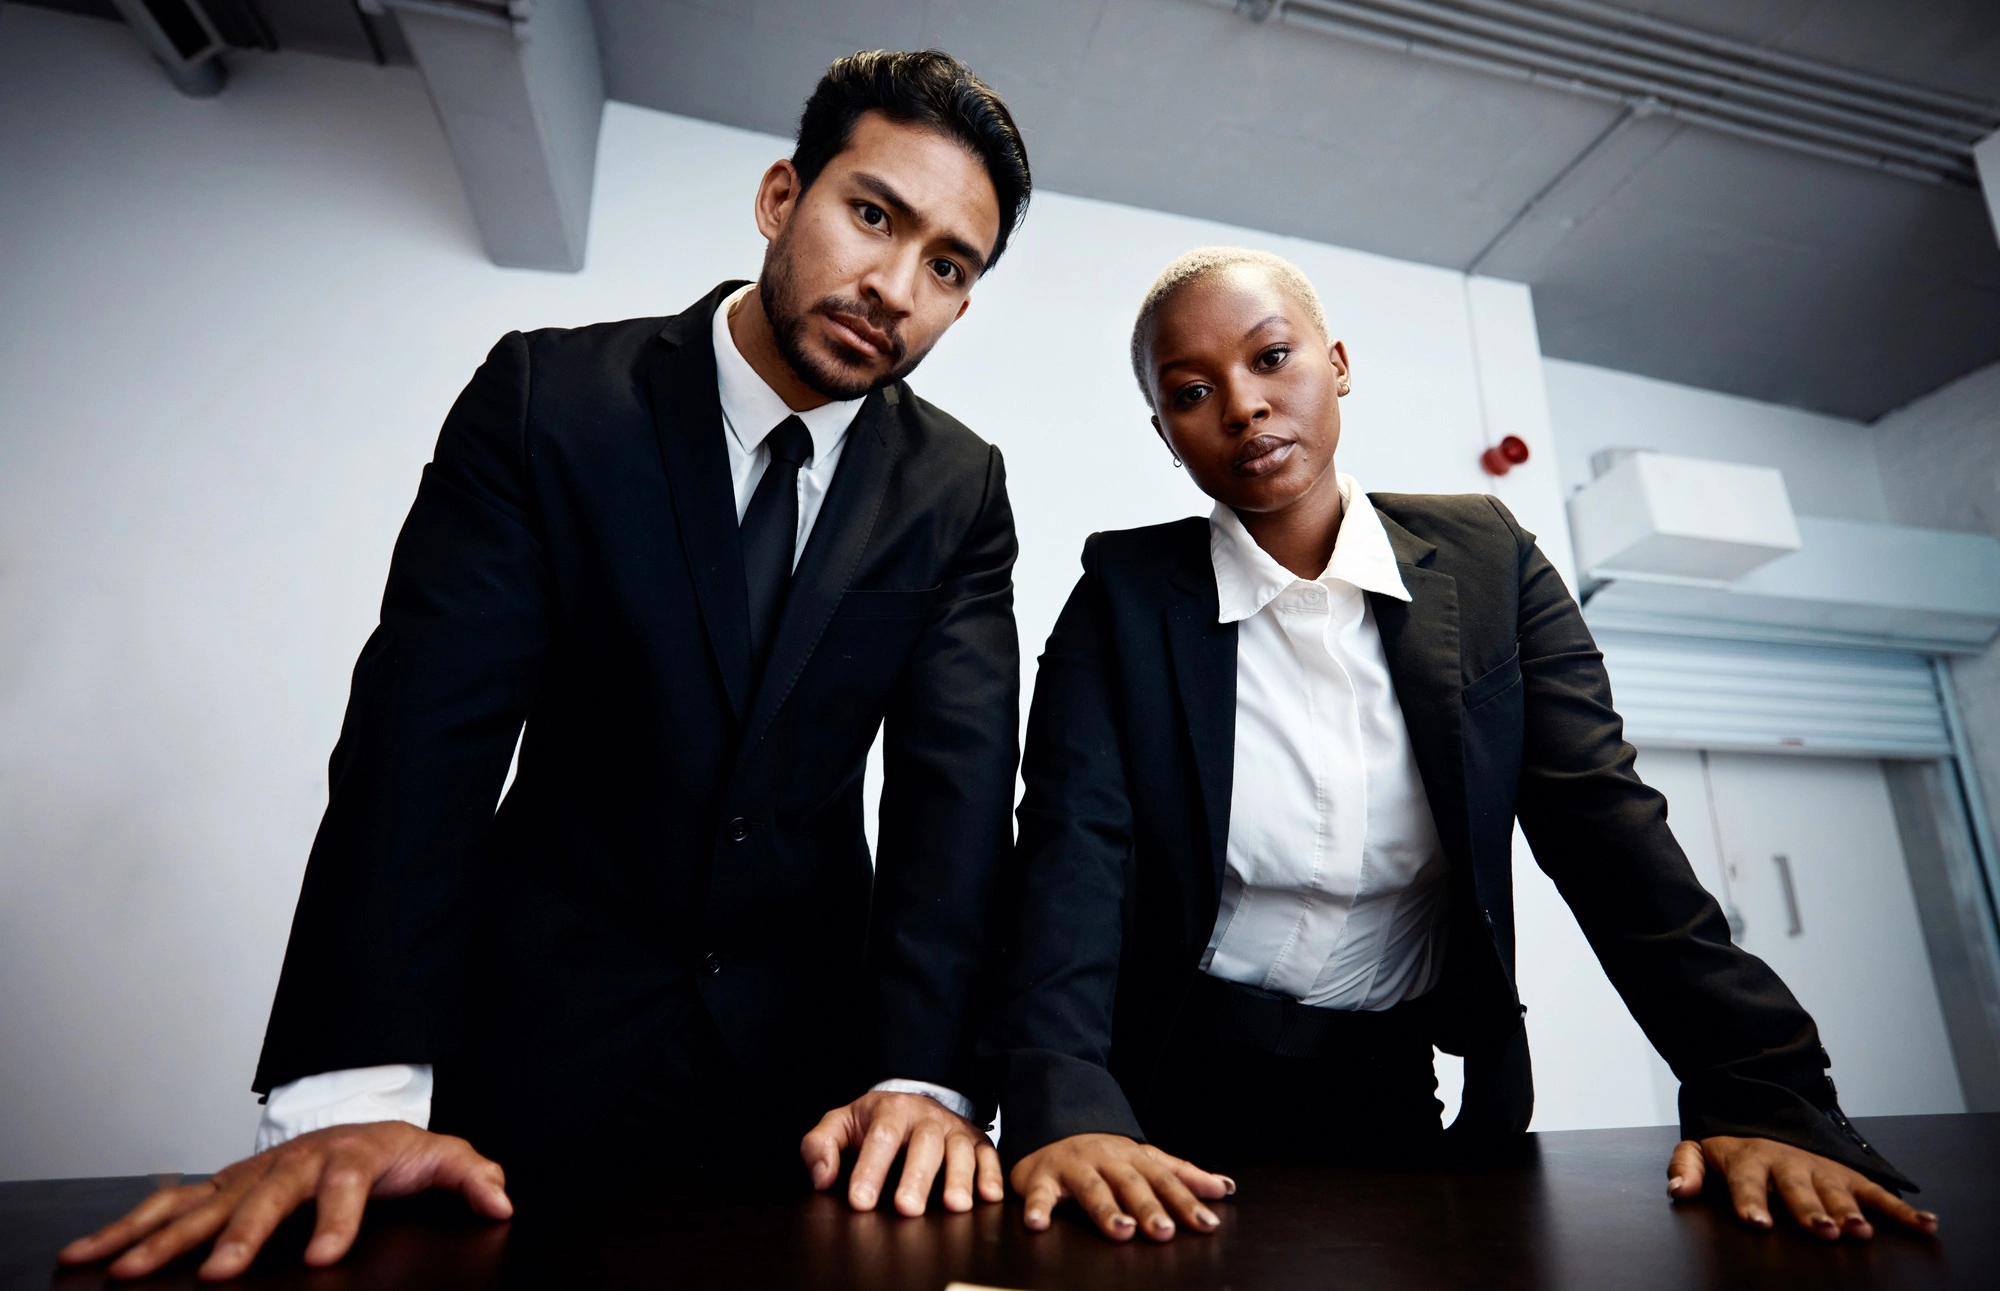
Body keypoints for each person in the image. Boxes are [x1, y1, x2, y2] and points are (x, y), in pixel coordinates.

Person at [62, 50, 1030, 1282]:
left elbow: (956, 796)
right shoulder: (549, 399)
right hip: (526, 1056)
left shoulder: (959, 487)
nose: (893, 284)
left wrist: (921, 1078)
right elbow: (423, 742)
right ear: (782, 197)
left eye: (947, 265)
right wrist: (352, 1088)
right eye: (872, 214)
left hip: (807, 1100)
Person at [985, 247, 1942, 1246]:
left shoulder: (1489, 564)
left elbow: (1607, 833)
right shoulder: (1126, 594)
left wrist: (1758, 1091)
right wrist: (1061, 1098)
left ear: (1337, 361)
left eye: (1271, 358)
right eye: (1190, 391)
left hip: (1387, 1083)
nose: (1242, 406)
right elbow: (1069, 852)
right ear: (1165, 436)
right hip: (1159, 1092)